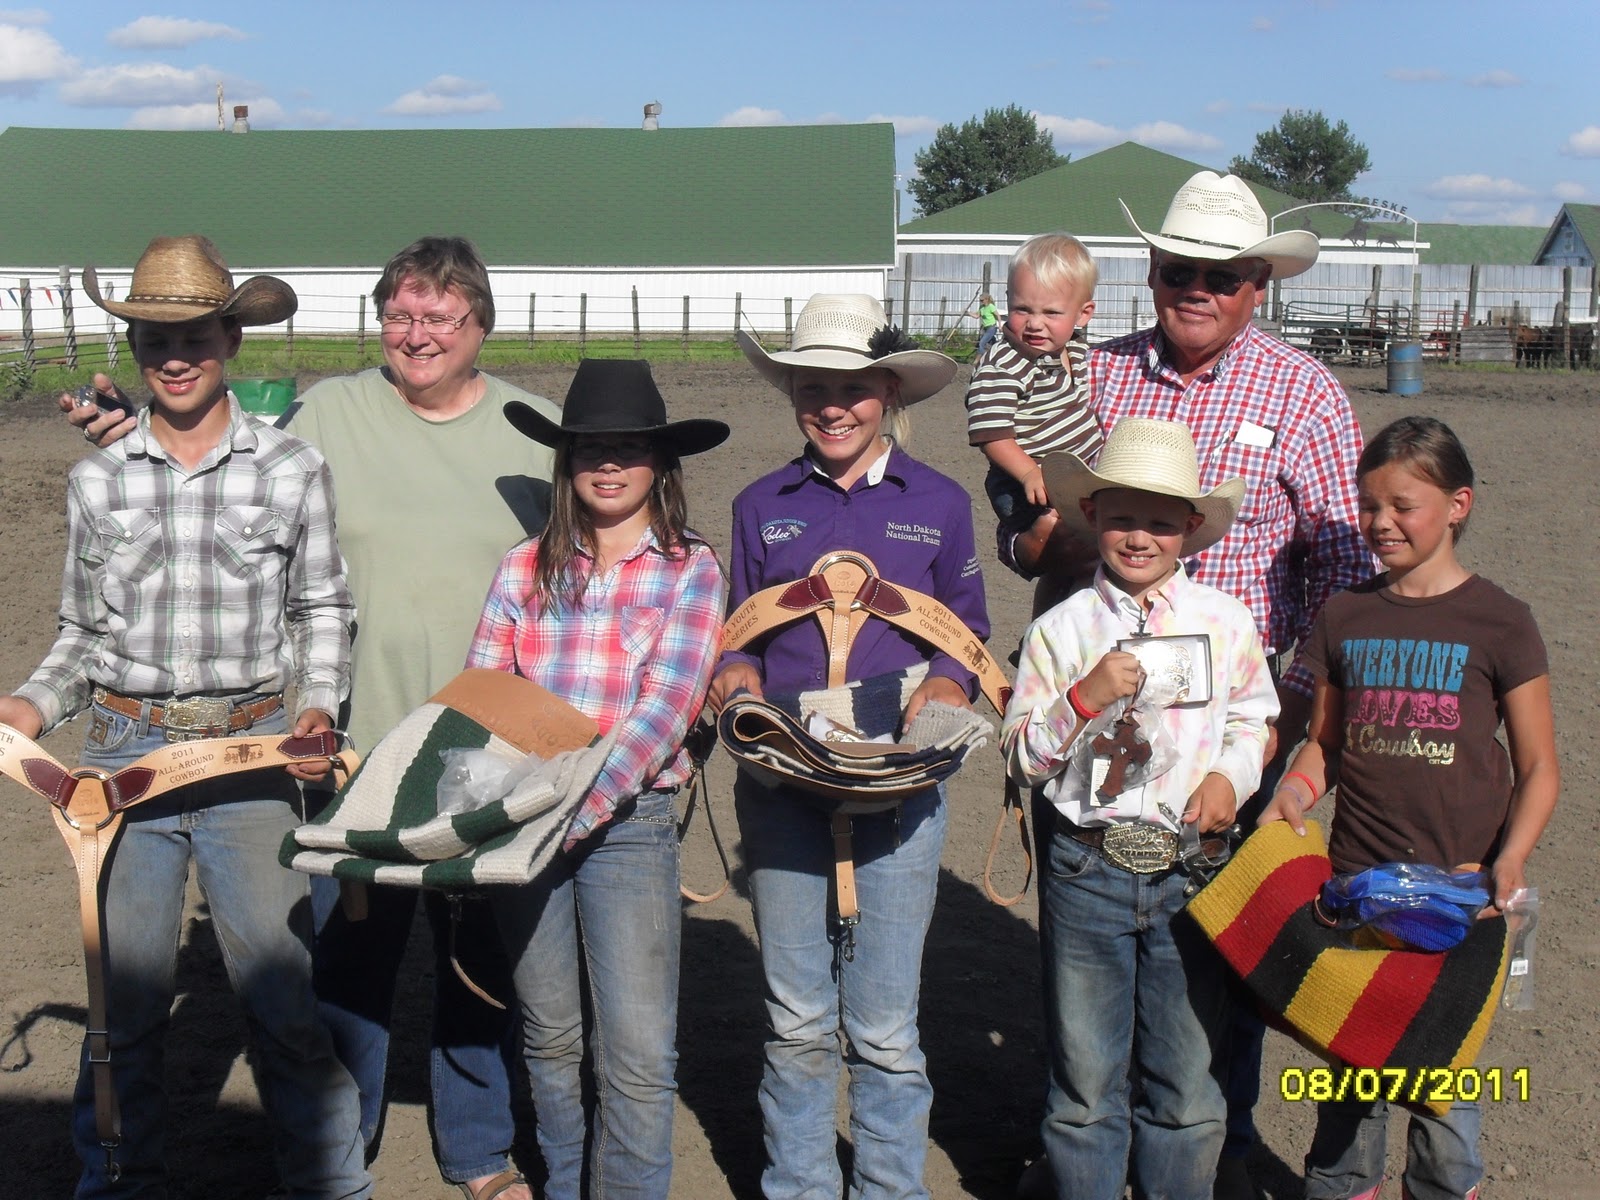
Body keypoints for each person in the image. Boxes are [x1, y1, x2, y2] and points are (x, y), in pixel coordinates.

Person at [66, 235, 559, 1200]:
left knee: (476, 960)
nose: (417, 333)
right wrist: (126, 432)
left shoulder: (531, 428)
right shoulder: (328, 411)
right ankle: (344, 1151)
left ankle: (478, 1150)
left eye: (439, 315)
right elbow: (219, 467)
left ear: (480, 324)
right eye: (399, 315)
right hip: (348, 741)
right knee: (346, 963)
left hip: (489, 739)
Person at [999, 171, 1370, 1199]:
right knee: (1087, 953)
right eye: (1177, 270)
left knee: (1215, 961)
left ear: (1258, 285)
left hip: (1233, 723)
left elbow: (1341, 564)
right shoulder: (1094, 373)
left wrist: (1287, 719)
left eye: (1222, 274)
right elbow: (1023, 516)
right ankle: (1086, 1146)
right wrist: (1034, 538)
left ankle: (1216, 1153)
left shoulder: (1303, 393)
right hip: (1090, 700)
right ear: (1153, 273)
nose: (1196, 288)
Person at [2, 234, 369, 1198]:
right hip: (123, 758)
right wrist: (29, 705)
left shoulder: (292, 468)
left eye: (195, 336)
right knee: (119, 1011)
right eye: (155, 339)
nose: (175, 357)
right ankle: (117, 1182)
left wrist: (317, 709)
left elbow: (322, 609)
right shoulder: (97, 482)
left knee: (283, 1004)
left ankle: (330, 1185)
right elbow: (82, 634)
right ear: (134, 348)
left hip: (250, 756)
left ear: (230, 341)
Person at [706, 293, 989, 1200]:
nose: (833, 407)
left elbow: (968, 633)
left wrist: (950, 683)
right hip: (784, 783)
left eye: (853, 389)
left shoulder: (940, 503)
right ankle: (798, 1186)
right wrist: (735, 675)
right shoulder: (761, 505)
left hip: (898, 782)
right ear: (792, 393)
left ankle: (888, 1189)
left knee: (886, 1030)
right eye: (813, 388)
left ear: (889, 393)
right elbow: (742, 632)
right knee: (795, 1020)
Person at [1259, 416, 1559, 1200]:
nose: (1380, 522)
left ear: (1458, 505)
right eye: (1368, 505)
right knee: (1349, 1083)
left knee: (1443, 1093)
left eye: (1403, 505)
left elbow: (1538, 767)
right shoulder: (1345, 615)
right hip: (1359, 888)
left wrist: (1509, 859)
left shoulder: (1501, 620)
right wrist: (1292, 793)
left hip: (1462, 895)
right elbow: (1324, 744)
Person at [462, 359, 728, 1200]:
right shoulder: (522, 567)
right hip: (524, 819)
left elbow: (668, 708)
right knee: (549, 1035)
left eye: (629, 449)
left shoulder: (691, 569)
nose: (608, 465)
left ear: (660, 464)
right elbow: (483, 695)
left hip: (628, 821)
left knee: (638, 1050)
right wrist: (485, 808)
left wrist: (574, 807)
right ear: (567, 461)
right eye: (589, 449)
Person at [1001, 417, 1277, 1200]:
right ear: (1092, 515)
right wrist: (1082, 699)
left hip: (1193, 865)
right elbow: (1020, 756)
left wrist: (1229, 777)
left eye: (1160, 522)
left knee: (1187, 1079)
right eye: (1123, 517)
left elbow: (1254, 718)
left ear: (1190, 527)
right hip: (1087, 864)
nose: (1139, 537)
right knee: (1086, 1079)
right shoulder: (1059, 632)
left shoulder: (1225, 621)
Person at [964, 233, 1102, 611]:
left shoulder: (1074, 349)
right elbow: (991, 433)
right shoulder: (1005, 363)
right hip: (1029, 483)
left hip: (1065, 477)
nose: (1035, 324)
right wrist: (1028, 473)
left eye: (1051, 313)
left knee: (1074, 566)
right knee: (1074, 560)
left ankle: (1053, 626)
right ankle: (1047, 626)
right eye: (1022, 309)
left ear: (1083, 314)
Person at [972, 291, 1000, 357]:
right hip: (986, 328)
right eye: (980, 300)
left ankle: (985, 357)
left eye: (982, 300)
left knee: (982, 343)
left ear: (986, 299)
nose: (981, 302)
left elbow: (998, 316)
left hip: (992, 327)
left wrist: (1000, 326)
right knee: (991, 343)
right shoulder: (981, 307)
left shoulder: (991, 306)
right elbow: (977, 316)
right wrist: (968, 313)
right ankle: (996, 354)